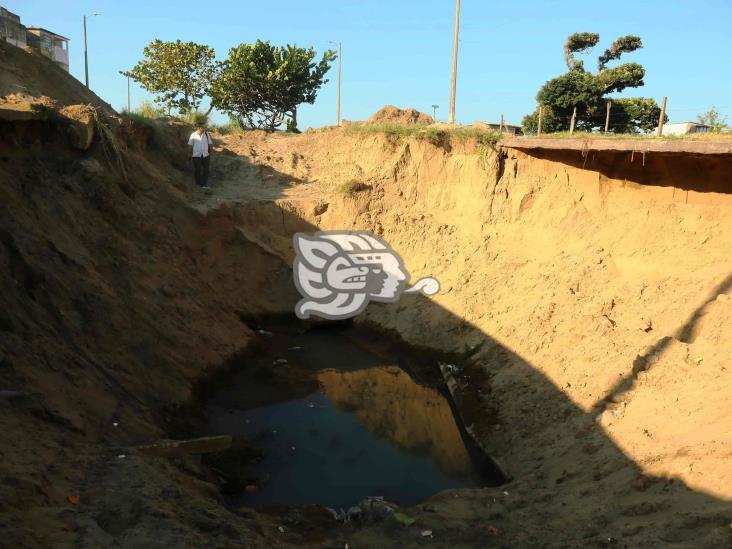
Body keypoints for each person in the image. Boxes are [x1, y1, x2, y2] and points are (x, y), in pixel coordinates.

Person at [187, 121, 214, 188]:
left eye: (205, 127)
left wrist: (210, 150)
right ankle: (198, 183)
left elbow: (210, 143)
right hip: (196, 155)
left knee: (206, 170)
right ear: (199, 128)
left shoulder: (207, 134)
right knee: (197, 169)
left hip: (206, 155)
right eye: (203, 127)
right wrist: (189, 154)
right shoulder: (193, 135)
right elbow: (190, 145)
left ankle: (204, 184)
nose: (204, 128)